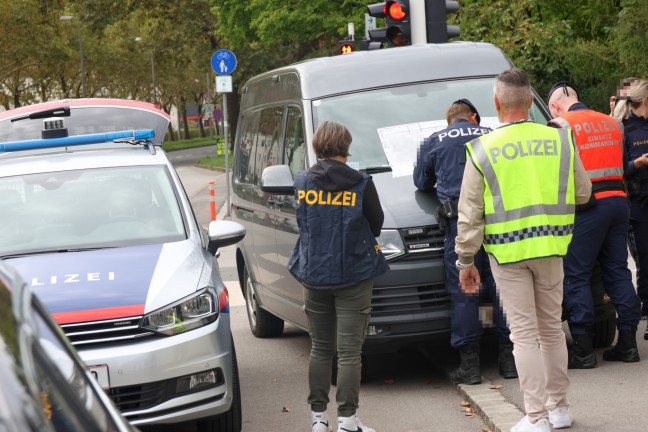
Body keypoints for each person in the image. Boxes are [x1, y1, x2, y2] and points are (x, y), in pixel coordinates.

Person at [456, 68, 592, 432]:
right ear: (531, 102)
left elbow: (469, 214)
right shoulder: (560, 140)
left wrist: (466, 260)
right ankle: (559, 408)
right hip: (551, 245)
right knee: (550, 330)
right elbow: (583, 193)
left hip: (507, 252)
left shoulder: (482, 150)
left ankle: (536, 417)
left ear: (496, 103)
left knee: (523, 334)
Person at [288, 121, 388, 432]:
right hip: (354, 275)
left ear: (318, 147)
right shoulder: (361, 183)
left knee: (320, 347)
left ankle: (318, 419)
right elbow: (377, 222)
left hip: (314, 274)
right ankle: (347, 421)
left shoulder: (303, 181)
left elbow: (303, 222)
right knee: (348, 352)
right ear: (346, 147)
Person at [414, 99, 517, 384]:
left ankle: (470, 366)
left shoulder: (434, 140)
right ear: (473, 117)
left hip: (459, 224)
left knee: (466, 289)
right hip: (500, 222)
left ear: (448, 121)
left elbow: (421, 182)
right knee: (501, 286)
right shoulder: (493, 135)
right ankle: (509, 360)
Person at [547, 81, 642, 367]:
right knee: (617, 271)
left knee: (577, 275)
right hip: (618, 202)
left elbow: (556, 173)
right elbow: (624, 163)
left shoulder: (559, 125)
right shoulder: (613, 123)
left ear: (554, 105)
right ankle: (627, 345)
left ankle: (583, 351)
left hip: (587, 207)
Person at [619, 79, 648, 338]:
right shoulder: (624, 130)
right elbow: (620, 170)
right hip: (638, 205)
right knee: (645, 262)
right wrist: (637, 163)